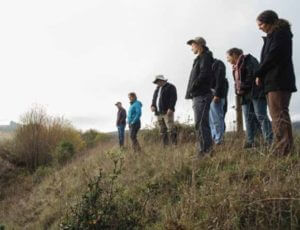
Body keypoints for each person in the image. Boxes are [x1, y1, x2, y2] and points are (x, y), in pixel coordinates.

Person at [255, 10, 297, 155]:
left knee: (279, 115)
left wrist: (258, 72)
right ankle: (282, 149)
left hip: (278, 81)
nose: (259, 27)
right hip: (274, 81)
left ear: (269, 21)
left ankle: (285, 151)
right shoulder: (274, 35)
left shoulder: (280, 34)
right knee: (277, 116)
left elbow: (273, 56)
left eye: (260, 24)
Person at [226, 48, 273, 148]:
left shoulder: (250, 60)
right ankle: (250, 141)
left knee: (261, 116)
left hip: (256, 93)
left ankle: (269, 141)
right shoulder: (235, 68)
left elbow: (254, 75)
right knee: (248, 118)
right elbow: (236, 83)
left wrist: (242, 86)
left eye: (228, 57)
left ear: (234, 54)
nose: (227, 60)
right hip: (244, 96)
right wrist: (237, 90)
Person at [185, 37, 214, 157]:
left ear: (199, 45)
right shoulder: (200, 58)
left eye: (192, 45)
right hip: (198, 94)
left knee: (201, 123)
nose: (191, 48)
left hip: (202, 94)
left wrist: (193, 87)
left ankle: (206, 151)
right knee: (199, 123)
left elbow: (204, 74)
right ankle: (202, 150)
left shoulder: (205, 57)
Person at [151, 75, 177, 146]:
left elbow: (173, 98)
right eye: (156, 82)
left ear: (161, 80)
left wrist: (171, 108)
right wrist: (153, 105)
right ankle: (165, 146)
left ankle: (174, 145)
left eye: (157, 81)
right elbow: (154, 99)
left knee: (171, 129)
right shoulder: (157, 89)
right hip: (158, 113)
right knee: (162, 130)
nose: (157, 83)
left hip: (167, 112)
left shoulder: (171, 87)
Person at [209, 58, 227, 145]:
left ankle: (219, 140)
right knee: (211, 120)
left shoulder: (218, 63)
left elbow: (220, 79)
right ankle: (214, 138)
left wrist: (217, 94)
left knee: (217, 119)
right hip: (209, 96)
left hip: (216, 95)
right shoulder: (208, 65)